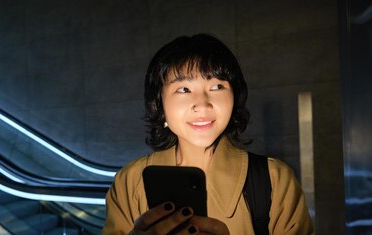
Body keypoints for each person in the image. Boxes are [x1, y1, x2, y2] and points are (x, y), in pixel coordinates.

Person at [102, 34, 314, 234]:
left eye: (217, 86)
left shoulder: (274, 180)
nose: (202, 105)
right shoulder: (129, 183)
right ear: (160, 104)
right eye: (183, 89)